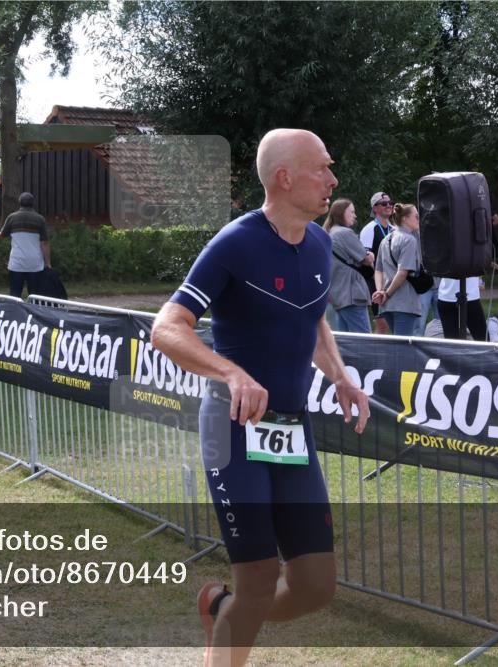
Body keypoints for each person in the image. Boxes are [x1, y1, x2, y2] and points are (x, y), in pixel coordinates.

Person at [150, 129, 369, 667]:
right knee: (258, 579)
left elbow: (313, 314)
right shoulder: (235, 243)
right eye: (323, 168)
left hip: (293, 432)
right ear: (285, 177)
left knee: (316, 585)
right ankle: (233, 621)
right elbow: (167, 327)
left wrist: (339, 375)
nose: (334, 180)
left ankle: (223, 608)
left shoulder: (319, 242)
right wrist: (231, 373)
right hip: (234, 428)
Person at [372, 203, 423, 336]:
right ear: (405, 219)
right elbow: (402, 272)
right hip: (404, 302)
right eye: (416, 217)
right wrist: (386, 294)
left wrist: (380, 291)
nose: (419, 220)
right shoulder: (409, 240)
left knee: (398, 346)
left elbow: (378, 270)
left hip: (387, 305)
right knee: (402, 349)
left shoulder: (386, 239)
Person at [323, 198, 373, 333]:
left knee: (347, 343)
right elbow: (367, 259)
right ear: (341, 214)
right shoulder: (344, 233)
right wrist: (370, 254)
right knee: (364, 340)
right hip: (352, 295)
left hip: (338, 295)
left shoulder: (329, 233)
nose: (355, 215)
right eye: (352, 212)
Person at [0, 192, 50, 298]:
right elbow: (44, 243)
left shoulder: (12, 218)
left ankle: (14, 313)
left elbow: (2, 235)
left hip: (17, 263)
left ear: (19, 203)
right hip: (35, 264)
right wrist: (48, 263)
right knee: (35, 296)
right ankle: (33, 314)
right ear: (33, 203)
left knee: (15, 295)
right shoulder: (40, 219)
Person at [359, 192, 393, 334]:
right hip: (376, 282)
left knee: (391, 322)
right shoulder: (369, 229)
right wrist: (377, 281)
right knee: (382, 324)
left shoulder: (393, 229)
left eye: (390, 203)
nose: (388, 206)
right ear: (375, 208)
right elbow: (366, 258)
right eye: (384, 203)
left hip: (392, 281)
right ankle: (376, 354)